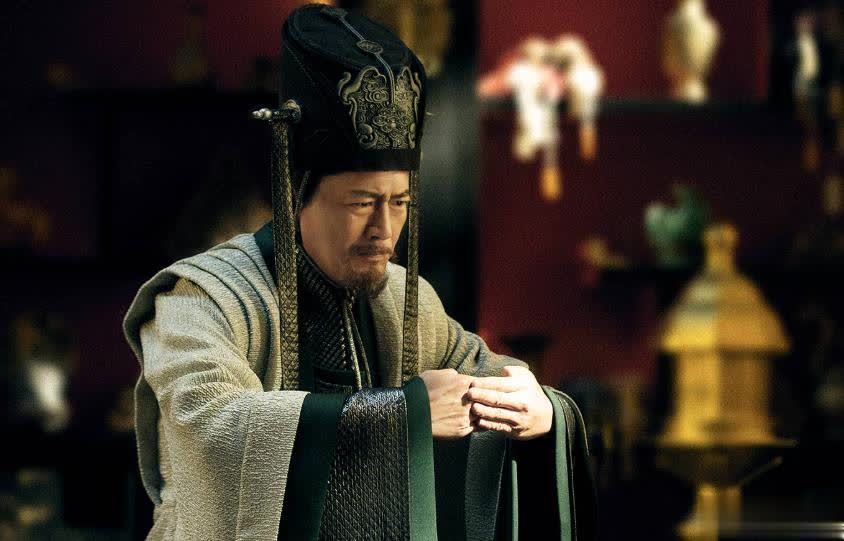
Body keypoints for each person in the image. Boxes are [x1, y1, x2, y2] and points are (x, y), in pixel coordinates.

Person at [122, 5, 595, 540]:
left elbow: (486, 373)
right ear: (297, 193)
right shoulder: (202, 298)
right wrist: (402, 417)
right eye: (362, 202)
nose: (384, 229)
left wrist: (539, 409)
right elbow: (211, 427)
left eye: (400, 202)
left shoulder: (404, 301)